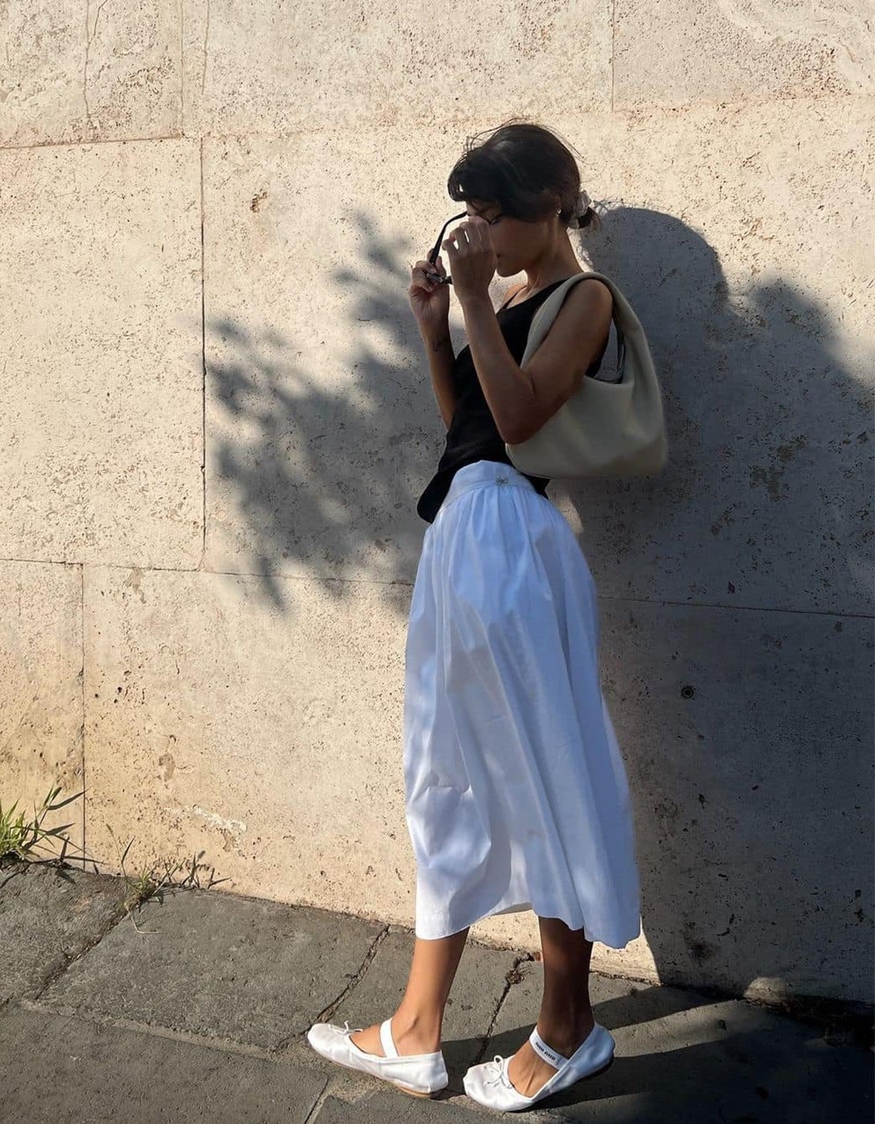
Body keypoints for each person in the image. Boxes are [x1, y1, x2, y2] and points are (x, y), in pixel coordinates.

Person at [307, 120, 642, 1112]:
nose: (479, 236)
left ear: (548, 210)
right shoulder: (510, 301)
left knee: (542, 771)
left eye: (493, 215)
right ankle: (416, 1028)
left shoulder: (583, 299)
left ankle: (569, 1026)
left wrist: (470, 302)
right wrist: (434, 327)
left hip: (511, 546)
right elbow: (472, 429)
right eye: (473, 217)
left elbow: (526, 419)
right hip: (466, 535)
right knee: (445, 771)